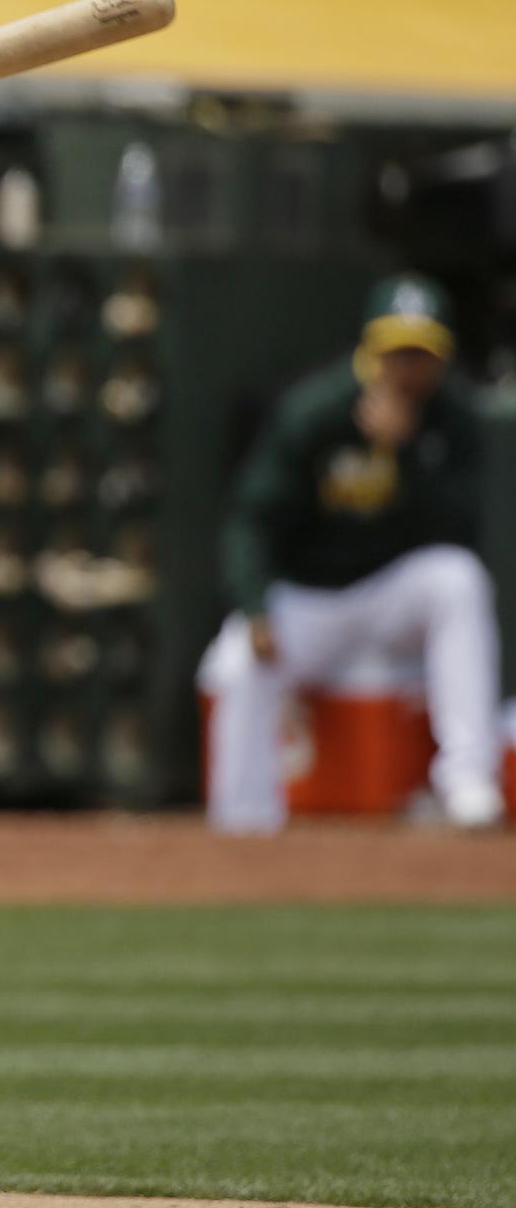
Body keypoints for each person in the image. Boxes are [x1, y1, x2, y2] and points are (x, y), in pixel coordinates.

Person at [199, 273, 503, 833]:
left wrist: (404, 452)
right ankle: (240, 828)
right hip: (309, 598)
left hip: (391, 596)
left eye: (421, 355)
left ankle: (467, 783)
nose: (408, 370)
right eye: (397, 353)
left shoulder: (454, 418)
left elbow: (461, 529)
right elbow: (252, 519)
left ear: (442, 357)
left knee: (458, 580)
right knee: (238, 661)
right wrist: (255, 605)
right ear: (371, 349)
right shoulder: (317, 410)